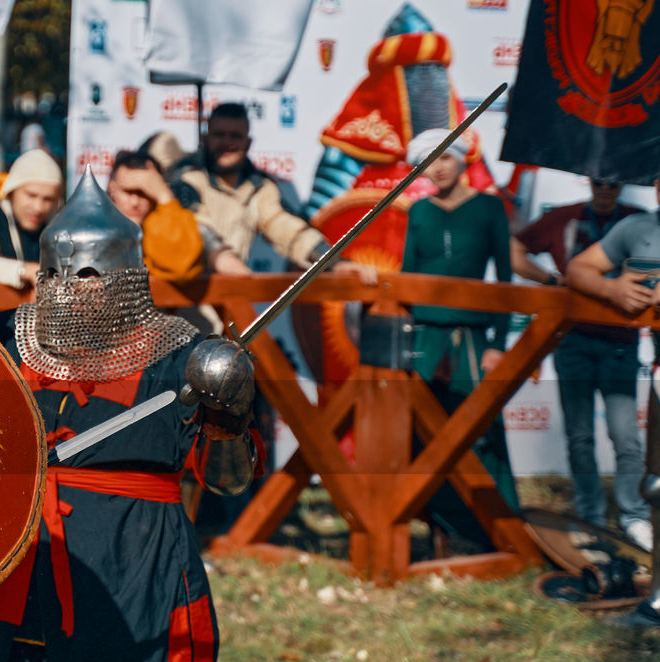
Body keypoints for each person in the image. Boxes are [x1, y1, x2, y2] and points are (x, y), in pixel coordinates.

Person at [0, 171, 257, 662]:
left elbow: (228, 478)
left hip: (139, 579)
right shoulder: (3, 338)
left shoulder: (178, 354)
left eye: (92, 274)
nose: (76, 287)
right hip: (26, 576)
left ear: (127, 274)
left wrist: (230, 413)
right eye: (62, 274)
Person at [513, 178, 650, 549]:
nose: (606, 189)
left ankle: (634, 517)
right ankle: (590, 519)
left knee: (625, 436)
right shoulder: (564, 217)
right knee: (580, 436)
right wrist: (552, 280)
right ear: (588, 181)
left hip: (620, 340)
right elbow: (515, 251)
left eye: (614, 183)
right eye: (599, 181)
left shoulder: (638, 222)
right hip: (573, 338)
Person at [402, 128, 519, 543]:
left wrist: (497, 345)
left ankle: (497, 527)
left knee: (480, 432)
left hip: (471, 341)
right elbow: (406, 280)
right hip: (426, 340)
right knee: (424, 433)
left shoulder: (489, 209)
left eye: (445, 158)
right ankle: (439, 527)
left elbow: (505, 282)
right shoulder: (418, 213)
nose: (438, 167)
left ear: (461, 159)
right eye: (429, 161)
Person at [173, 102, 376, 283]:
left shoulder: (259, 189)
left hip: (226, 307)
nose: (227, 143)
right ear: (206, 138)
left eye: (235, 136)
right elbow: (192, 225)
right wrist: (219, 256)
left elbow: (286, 229)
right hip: (179, 307)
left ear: (249, 143)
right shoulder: (185, 180)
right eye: (219, 135)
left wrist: (333, 262)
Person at [0, 148, 62, 290]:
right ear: (12, 189)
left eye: (48, 199)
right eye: (31, 195)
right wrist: (22, 270)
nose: (38, 207)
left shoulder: (54, 225)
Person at [106, 149, 205, 289]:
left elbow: (182, 267)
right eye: (128, 192)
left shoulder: (160, 223)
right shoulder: (94, 229)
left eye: (143, 193)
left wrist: (164, 196)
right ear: (112, 189)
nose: (135, 202)